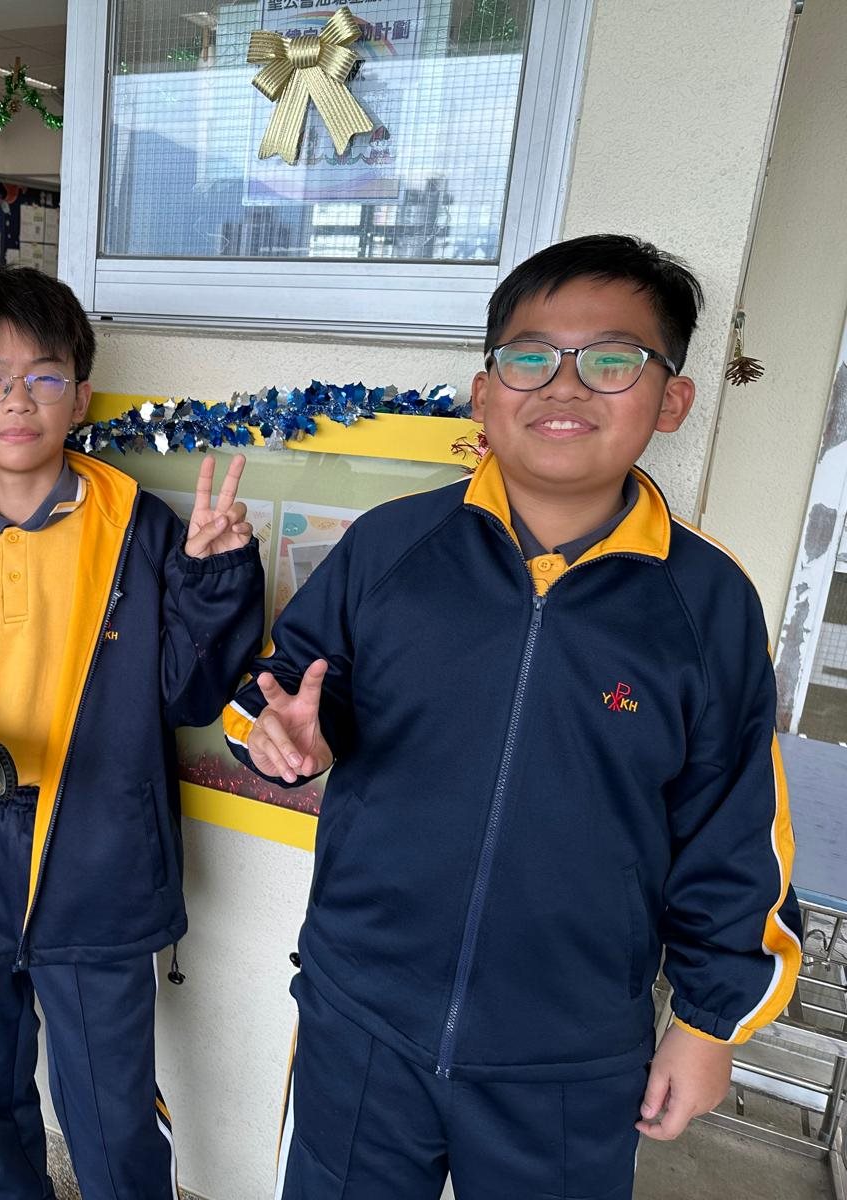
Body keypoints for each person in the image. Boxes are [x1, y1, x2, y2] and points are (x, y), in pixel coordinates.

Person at [227, 234, 802, 1199]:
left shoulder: (706, 604)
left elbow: (735, 828)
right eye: (530, 357)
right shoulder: (392, 547)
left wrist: (710, 1024)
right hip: (362, 1016)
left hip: (571, 1056)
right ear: (484, 393)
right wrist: (276, 736)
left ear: (672, 401)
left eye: (612, 359)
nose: (564, 385)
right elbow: (277, 689)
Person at [0, 266, 266, 1198]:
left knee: (110, 1111)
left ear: (82, 394)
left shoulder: (139, 527)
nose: (17, 399)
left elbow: (189, 694)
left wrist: (216, 578)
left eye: (45, 375)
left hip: (98, 851)